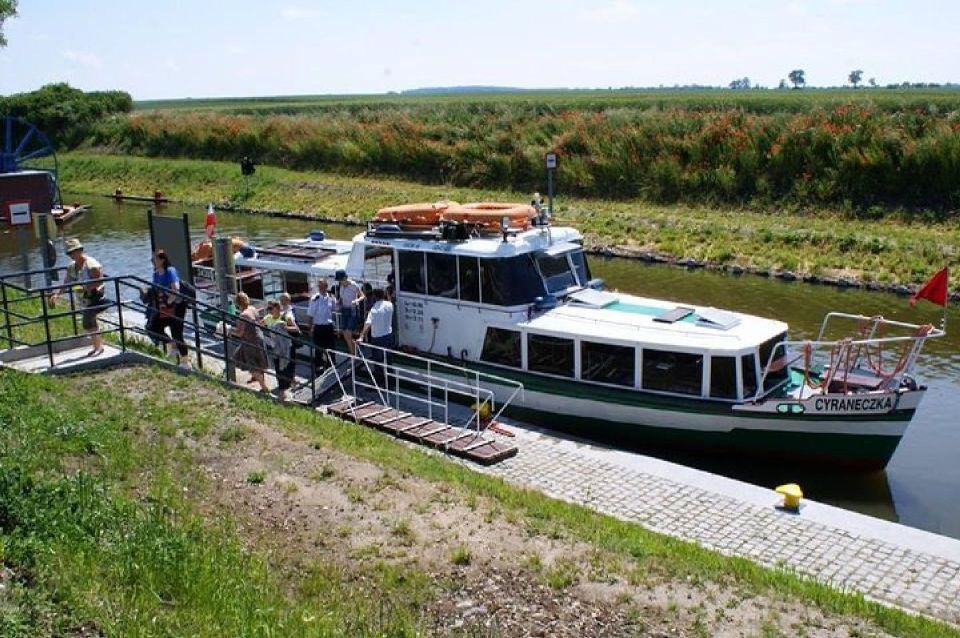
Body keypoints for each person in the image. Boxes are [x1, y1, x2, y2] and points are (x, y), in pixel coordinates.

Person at [49, 238, 105, 357]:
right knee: (91, 322)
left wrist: (86, 288)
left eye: (73, 251)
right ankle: (98, 346)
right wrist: (57, 294)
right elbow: (66, 283)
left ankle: (98, 347)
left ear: (80, 250)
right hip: (82, 299)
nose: (71, 255)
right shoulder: (71, 267)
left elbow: (100, 281)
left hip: (95, 296)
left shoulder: (91, 265)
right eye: (69, 253)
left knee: (87, 321)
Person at [147, 249, 191, 369]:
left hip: (177, 305)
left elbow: (176, 289)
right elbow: (156, 289)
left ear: (162, 260)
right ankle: (172, 345)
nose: (152, 261)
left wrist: (169, 301)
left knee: (177, 332)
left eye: (154, 259)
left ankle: (185, 362)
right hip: (163, 307)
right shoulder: (156, 274)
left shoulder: (170, 271)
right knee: (153, 327)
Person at [229, 291, 269, 392]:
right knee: (258, 361)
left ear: (237, 303)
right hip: (259, 337)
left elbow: (239, 333)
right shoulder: (253, 309)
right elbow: (258, 322)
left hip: (250, 341)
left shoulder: (243, 315)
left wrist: (228, 330)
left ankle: (264, 387)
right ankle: (258, 379)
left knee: (252, 365)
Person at [263, 299, 297, 402]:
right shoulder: (267, 318)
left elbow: (296, 329)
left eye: (270, 308)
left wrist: (285, 327)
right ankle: (282, 391)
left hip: (287, 347)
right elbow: (258, 325)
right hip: (276, 347)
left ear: (277, 308)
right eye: (268, 308)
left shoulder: (285, 317)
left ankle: (289, 383)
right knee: (278, 369)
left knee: (288, 368)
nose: (269, 310)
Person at [306, 278, 335, 374]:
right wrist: (310, 329)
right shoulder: (315, 299)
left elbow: (336, 308)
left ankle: (331, 365)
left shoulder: (331, 297)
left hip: (329, 326)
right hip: (319, 327)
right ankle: (318, 368)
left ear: (327, 287)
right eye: (320, 286)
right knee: (318, 349)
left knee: (331, 348)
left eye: (324, 286)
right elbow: (310, 315)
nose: (322, 288)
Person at [335, 269, 361, 355]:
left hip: (352, 310)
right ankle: (354, 351)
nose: (341, 282)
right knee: (345, 334)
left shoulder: (353, 285)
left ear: (345, 278)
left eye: (341, 280)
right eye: (339, 281)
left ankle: (353, 354)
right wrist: (338, 302)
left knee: (348, 333)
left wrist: (357, 300)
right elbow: (342, 298)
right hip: (344, 310)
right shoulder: (341, 287)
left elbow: (362, 296)